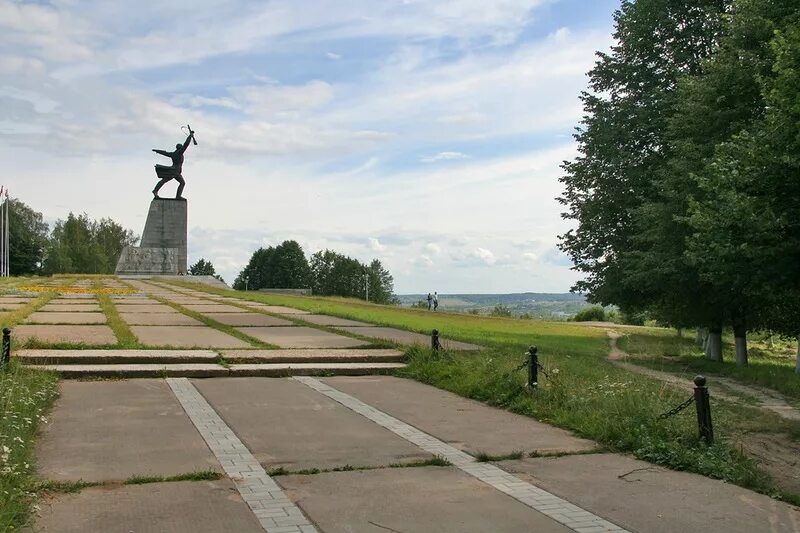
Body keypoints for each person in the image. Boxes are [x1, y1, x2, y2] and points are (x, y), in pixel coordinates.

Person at [152, 130, 195, 199]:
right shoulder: (179, 153)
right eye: (182, 147)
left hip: (175, 171)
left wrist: (157, 151)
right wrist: (190, 135)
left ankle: (156, 190)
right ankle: (156, 191)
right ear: (180, 148)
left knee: (170, 181)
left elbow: (165, 153)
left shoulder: (173, 154)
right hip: (175, 171)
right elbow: (186, 144)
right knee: (179, 182)